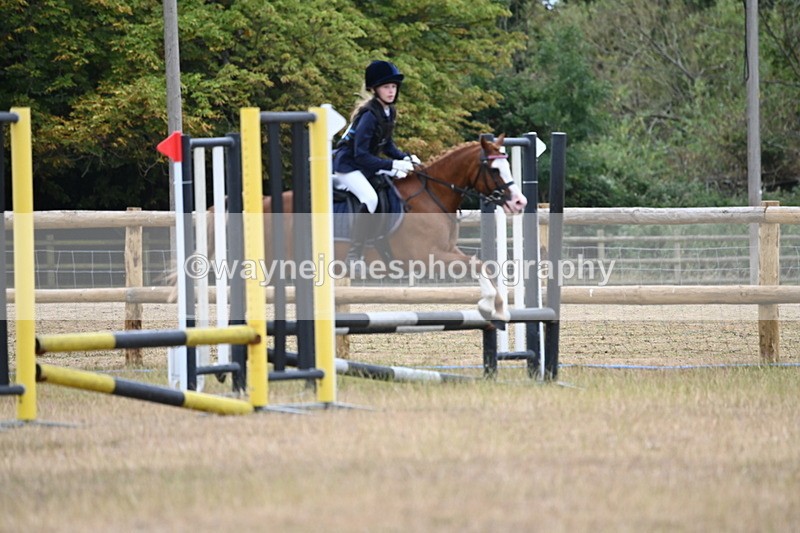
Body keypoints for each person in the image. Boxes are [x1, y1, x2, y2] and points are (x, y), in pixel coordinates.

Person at [332, 60, 420, 266]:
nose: (391, 91)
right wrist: (391, 166)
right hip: (348, 165)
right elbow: (360, 154)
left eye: (393, 87)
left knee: (390, 188)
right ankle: (354, 255)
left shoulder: (388, 112)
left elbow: (387, 146)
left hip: (364, 164)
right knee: (370, 199)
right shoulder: (370, 115)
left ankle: (380, 243)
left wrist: (405, 157)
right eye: (386, 87)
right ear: (375, 89)